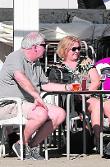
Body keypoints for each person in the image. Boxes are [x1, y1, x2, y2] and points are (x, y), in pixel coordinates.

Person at [47, 36, 110, 153]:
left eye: (79, 48)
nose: (77, 51)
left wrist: (87, 94)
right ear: (64, 49)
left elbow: (96, 80)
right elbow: (55, 87)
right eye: (73, 49)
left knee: (108, 103)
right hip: (71, 100)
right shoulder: (57, 68)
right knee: (97, 104)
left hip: (89, 96)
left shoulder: (85, 62)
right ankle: (98, 140)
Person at [0, 32, 66, 160]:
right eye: (44, 45)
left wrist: (67, 87)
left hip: (27, 105)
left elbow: (45, 85)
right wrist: (37, 96)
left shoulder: (36, 63)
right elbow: (20, 77)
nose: (45, 48)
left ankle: (31, 145)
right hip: (9, 105)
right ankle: (21, 144)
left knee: (59, 114)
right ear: (35, 47)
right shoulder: (16, 56)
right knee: (40, 113)